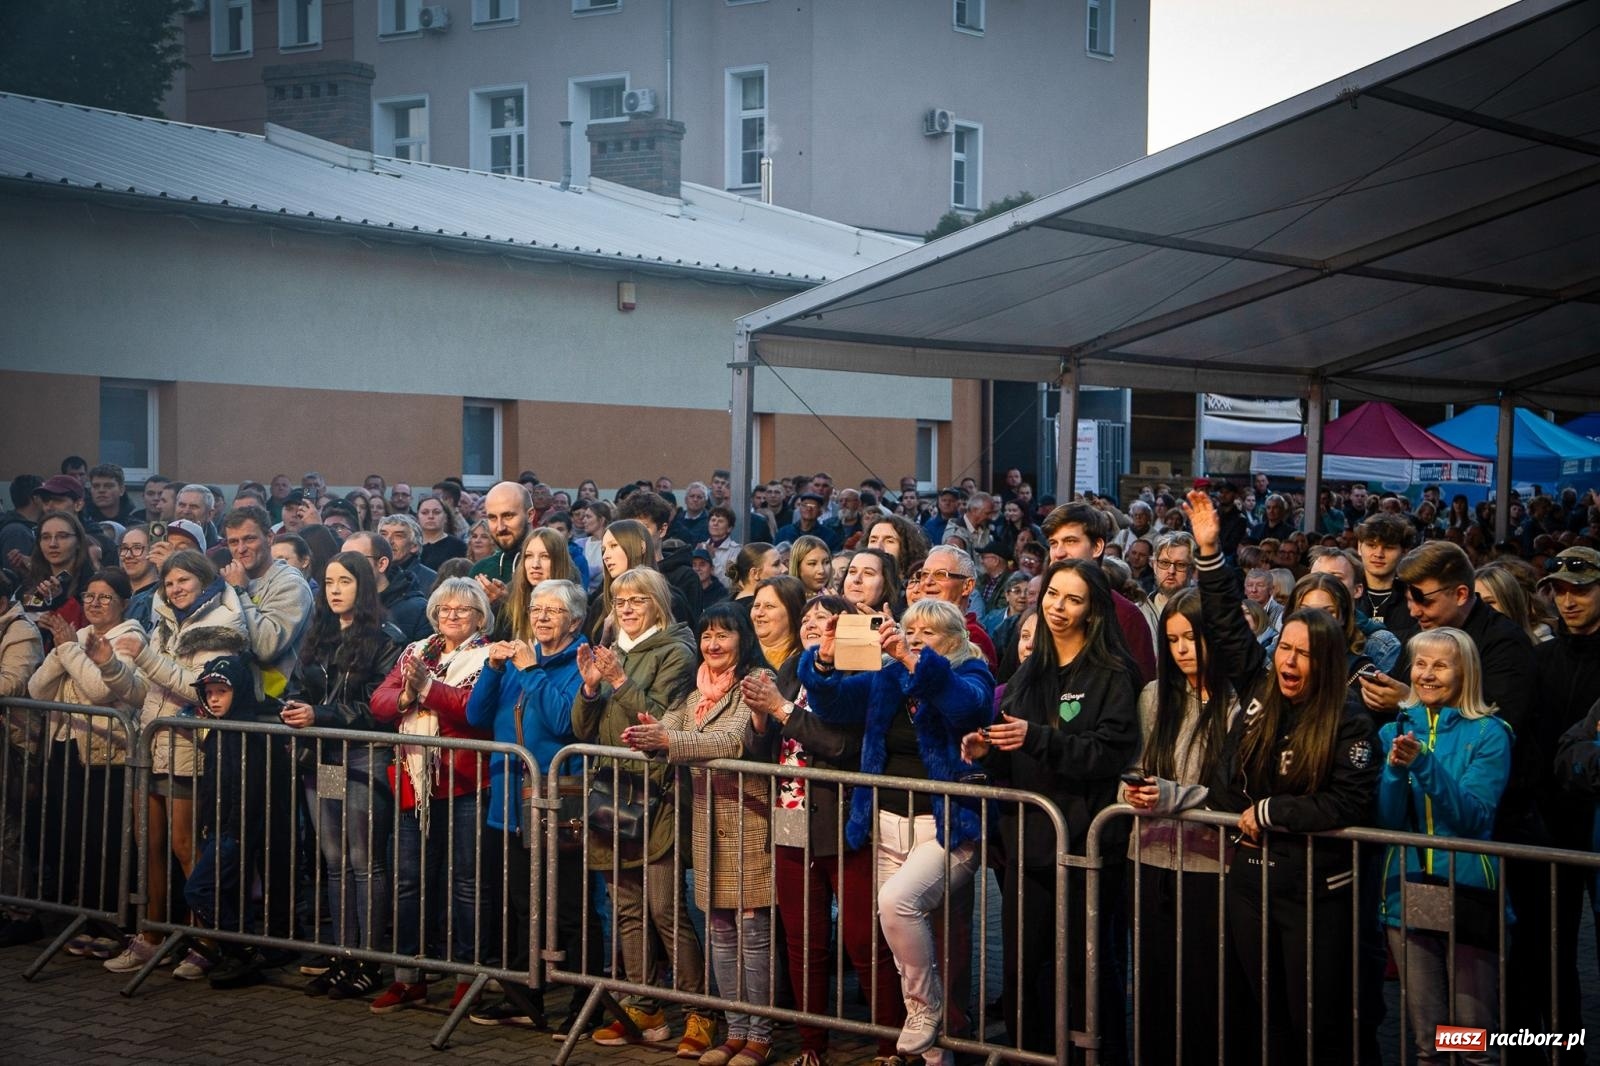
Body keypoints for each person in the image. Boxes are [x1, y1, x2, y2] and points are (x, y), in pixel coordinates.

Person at [1187, 488, 1378, 1066]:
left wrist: (1271, 813)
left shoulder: (1350, 718)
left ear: (1329, 662)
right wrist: (1211, 552)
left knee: (1314, 1024)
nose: (1289, 663)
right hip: (1248, 880)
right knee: (1257, 1015)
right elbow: (1224, 623)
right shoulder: (1260, 686)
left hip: (1315, 892)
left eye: (1304, 655)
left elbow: (1349, 800)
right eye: (1284, 650)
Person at [797, 598, 995, 1062]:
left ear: (952, 641)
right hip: (885, 825)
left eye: (926, 634)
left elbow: (967, 708)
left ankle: (927, 1010)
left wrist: (911, 657)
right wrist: (823, 660)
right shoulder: (888, 678)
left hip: (946, 827)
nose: (913, 639)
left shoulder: (971, 673)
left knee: (897, 903)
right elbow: (833, 703)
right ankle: (933, 1054)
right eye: (909, 630)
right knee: (901, 939)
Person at [961, 559, 1139, 1056]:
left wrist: (1038, 738)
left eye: (1073, 599)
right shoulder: (1030, 666)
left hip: (1083, 847)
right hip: (1026, 842)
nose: (1058, 608)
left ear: (1093, 610)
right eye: (1053, 595)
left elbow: (1107, 753)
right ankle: (1027, 1052)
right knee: (1021, 967)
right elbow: (1009, 734)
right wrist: (986, 747)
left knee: (1084, 971)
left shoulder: (1113, 673)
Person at [739, 593, 906, 1066]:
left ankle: (888, 1047)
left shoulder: (863, 675)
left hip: (843, 821)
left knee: (861, 940)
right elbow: (761, 752)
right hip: (790, 818)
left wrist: (781, 710)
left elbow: (841, 746)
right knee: (802, 941)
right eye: (809, 617)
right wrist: (759, 717)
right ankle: (812, 1047)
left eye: (826, 618)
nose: (815, 623)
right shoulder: (792, 670)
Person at [622, 604, 780, 1066]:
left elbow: (731, 741)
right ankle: (734, 1030)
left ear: (742, 640)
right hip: (708, 823)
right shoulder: (693, 695)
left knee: (753, 931)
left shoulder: (756, 683)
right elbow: (670, 729)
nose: (712, 644)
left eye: (723, 635)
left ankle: (761, 1033)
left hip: (749, 825)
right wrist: (653, 732)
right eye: (707, 635)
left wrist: (670, 743)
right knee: (720, 930)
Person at [570, 567, 712, 1053]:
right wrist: (590, 689)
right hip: (612, 789)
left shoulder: (676, 650)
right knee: (626, 905)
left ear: (658, 604)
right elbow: (583, 730)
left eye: (637, 600)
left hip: (658, 792)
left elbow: (659, 718)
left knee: (665, 908)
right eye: (619, 600)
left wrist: (619, 680)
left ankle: (700, 1011)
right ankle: (642, 1005)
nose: (626, 608)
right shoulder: (613, 652)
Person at [96, 549, 250, 976]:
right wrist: (110, 666)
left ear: (203, 581)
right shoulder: (163, 625)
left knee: (186, 848)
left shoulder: (220, 627)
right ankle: (151, 935)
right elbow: (142, 691)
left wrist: (145, 657)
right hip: (150, 745)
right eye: (169, 583)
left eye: (184, 580)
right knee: (149, 844)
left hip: (188, 750)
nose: (176, 588)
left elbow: (200, 690)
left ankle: (203, 940)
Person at [464, 578, 594, 1034]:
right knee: (523, 905)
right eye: (536, 608)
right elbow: (476, 716)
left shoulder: (582, 662)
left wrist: (531, 670)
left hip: (559, 806)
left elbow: (565, 721)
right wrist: (495, 669)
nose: (540, 617)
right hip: (509, 804)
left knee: (570, 907)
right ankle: (525, 998)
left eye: (553, 611)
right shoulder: (518, 662)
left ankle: (584, 1000)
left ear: (575, 620)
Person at [1376, 628, 1511, 1066]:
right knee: (1430, 1043)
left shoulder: (1490, 732)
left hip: (1468, 890)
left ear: (1464, 672)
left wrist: (1424, 764)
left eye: (1440, 665)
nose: (1426, 675)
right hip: (1408, 890)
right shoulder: (1393, 730)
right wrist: (1396, 772)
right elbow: (1388, 820)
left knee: (1473, 1042)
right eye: (1420, 663)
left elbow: (1472, 816)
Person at [1118, 586, 1240, 1065]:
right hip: (1147, 857)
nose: (1183, 649)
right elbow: (1132, 768)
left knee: (1206, 991)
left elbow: (1238, 794)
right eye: (1172, 640)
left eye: (1192, 637)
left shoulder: (1238, 703)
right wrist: (1132, 793)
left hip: (1213, 866)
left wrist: (1176, 798)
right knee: (1152, 989)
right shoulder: (1154, 697)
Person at [369, 577, 494, 1016]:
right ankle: (408, 977)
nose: (452, 615)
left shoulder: (488, 656)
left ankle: (467, 977)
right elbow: (380, 702)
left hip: (464, 783)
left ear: (480, 616)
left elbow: (473, 709)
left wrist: (425, 690)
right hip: (414, 782)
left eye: (463, 609)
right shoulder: (416, 651)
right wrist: (406, 692)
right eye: (444, 609)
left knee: (466, 883)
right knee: (408, 881)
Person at [281, 551, 403, 999]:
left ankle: (368, 962)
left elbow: (378, 706)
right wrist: (292, 708)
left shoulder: (385, 637)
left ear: (363, 587)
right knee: (334, 858)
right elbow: (297, 685)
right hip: (325, 758)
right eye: (329, 581)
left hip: (363, 758)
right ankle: (342, 956)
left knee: (364, 859)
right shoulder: (320, 633)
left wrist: (321, 713)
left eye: (344, 582)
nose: (333, 589)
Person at [29, 569, 146, 956]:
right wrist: (69, 649)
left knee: (106, 838)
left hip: (106, 753)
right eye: (89, 596)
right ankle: (86, 916)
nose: (95, 603)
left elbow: (99, 689)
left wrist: (67, 651)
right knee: (76, 838)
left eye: (105, 597)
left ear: (123, 602)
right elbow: (36, 688)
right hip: (66, 747)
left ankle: (113, 924)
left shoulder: (130, 636)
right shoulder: (77, 637)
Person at [1040, 502, 1157, 683]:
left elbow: (1142, 692)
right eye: (1053, 543)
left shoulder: (1125, 615)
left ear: (1097, 547)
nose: (1058, 553)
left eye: (1070, 541)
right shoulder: (1044, 606)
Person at [0, 567, 45, 947]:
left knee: (6, 830)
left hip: (15, 746)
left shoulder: (21, 631)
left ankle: (21, 913)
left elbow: (11, 682)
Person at [345, 531, 430, 643]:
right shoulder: (337, 604)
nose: (345, 566)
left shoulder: (418, 610)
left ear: (381, 564)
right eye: (342, 559)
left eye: (355, 559)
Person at [500, 527, 581, 642]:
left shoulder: (575, 608)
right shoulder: (509, 606)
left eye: (545, 556)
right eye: (529, 556)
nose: (535, 565)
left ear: (559, 562)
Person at [23, 511, 96, 633]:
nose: (53, 544)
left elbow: (89, 629)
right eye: (45, 537)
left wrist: (60, 601)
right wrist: (35, 622)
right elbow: (23, 610)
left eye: (62, 536)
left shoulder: (94, 584)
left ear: (78, 542)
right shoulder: (30, 584)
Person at [840, 548, 902, 619]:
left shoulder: (902, 627)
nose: (856, 579)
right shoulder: (828, 616)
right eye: (852, 571)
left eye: (868, 573)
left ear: (886, 584)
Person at [417, 497, 468, 572]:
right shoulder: (410, 545)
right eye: (425, 512)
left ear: (446, 517)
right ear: (417, 517)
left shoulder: (459, 547)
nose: (430, 516)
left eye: (436, 512)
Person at [726, 541, 782, 607]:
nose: (784, 569)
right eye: (776, 564)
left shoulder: (726, 604)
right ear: (755, 573)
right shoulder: (756, 611)